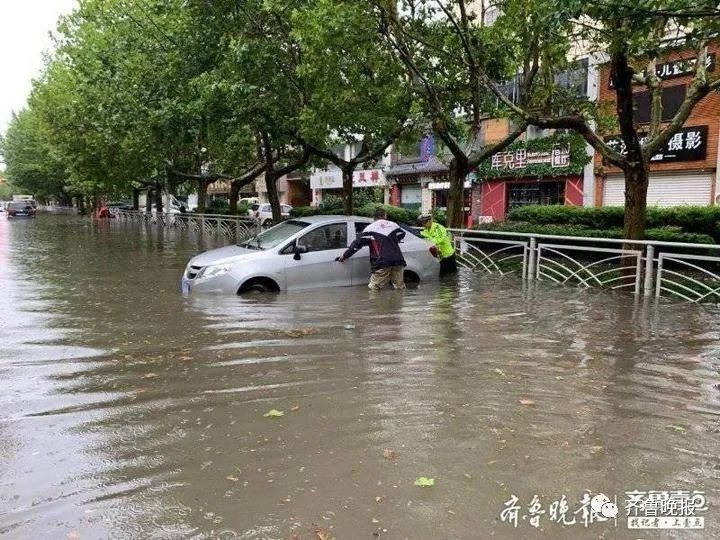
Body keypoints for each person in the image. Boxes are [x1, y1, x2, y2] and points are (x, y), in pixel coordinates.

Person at [336, 208, 407, 290]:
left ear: (374, 217)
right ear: (385, 216)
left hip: (382, 261)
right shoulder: (394, 225)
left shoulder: (370, 228)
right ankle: (399, 302)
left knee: (374, 289)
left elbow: (356, 245)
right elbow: (402, 234)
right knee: (399, 287)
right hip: (398, 260)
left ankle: (375, 303)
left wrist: (344, 256)